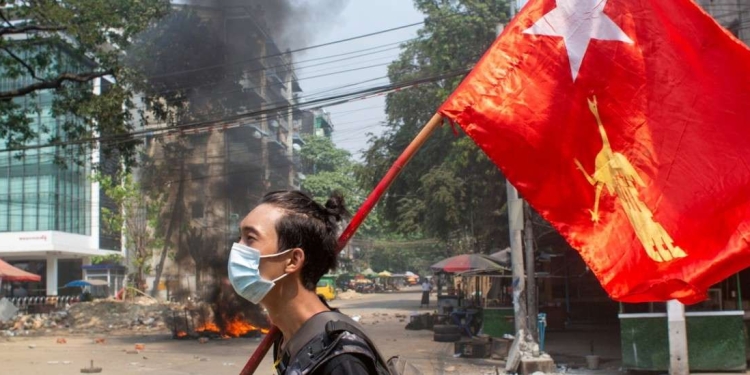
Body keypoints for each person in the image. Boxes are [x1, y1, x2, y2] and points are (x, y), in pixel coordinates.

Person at [228, 190, 390, 375]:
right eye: (239, 238)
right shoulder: (287, 338)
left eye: (250, 238)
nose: (237, 248)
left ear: (293, 260)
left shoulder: (340, 359)